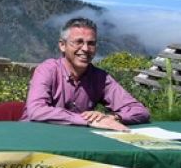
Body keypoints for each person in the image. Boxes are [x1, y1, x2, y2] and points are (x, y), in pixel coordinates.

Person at [21, 17, 150, 131]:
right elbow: (36, 111)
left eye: (91, 43)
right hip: (34, 137)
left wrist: (112, 117)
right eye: (78, 42)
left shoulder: (100, 78)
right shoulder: (47, 70)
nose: (85, 49)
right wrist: (87, 120)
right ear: (62, 45)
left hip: (74, 141)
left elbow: (140, 111)